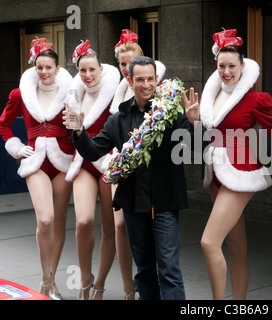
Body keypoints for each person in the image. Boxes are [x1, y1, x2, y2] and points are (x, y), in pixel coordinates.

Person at [68, 56, 196, 300]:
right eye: (139, 79)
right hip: (133, 206)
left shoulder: (171, 113)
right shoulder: (118, 119)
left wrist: (194, 123)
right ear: (130, 80)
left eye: (150, 79)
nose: (145, 84)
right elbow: (94, 151)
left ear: (157, 80)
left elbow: (196, 149)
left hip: (165, 204)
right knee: (145, 271)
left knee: (169, 270)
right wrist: (79, 132)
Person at [199, 29, 272, 300]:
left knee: (209, 242)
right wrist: (193, 118)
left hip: (241, 171)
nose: (227, 71)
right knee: (235, 244)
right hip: (216, 171)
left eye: (232, 66)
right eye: (222, 66)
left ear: (243, 66)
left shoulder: (256, 99)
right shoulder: (212, 95)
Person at [0, 38, 73, 299]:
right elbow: (4, 125)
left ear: (57, 68)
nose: (43, 72)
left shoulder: (70, 92)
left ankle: (52, 281)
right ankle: (44, 279)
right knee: (45, 219)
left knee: (60, 222)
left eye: (48, 67)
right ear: (34, 66)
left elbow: (76, 126)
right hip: (35, 161)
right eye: (39, 67)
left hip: (63, 161)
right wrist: (16, 148)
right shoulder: (21, 93)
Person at [108, 29, 166, 299]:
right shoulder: (118, 97)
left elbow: (188, 145)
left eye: (131, 62)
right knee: (124, 229)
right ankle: (129, 289)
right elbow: (104, 136)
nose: (126, 69)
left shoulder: (164, 99)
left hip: (157, 187)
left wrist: (195, 125)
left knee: (166, 265)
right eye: (122, 64)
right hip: (119, 170)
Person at [65, 40, 120, 299]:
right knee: (84, 220)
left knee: (110, 228)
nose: (87, 75)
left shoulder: (115, 90)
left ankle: (99, 283)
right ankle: (85, 278)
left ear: (101, 69)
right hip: (84, 161)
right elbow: (71, 134)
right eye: (82, 70)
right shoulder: (75, 95)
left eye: (92, 70)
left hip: (108, 161)